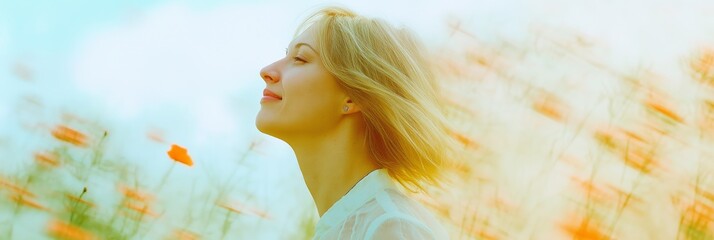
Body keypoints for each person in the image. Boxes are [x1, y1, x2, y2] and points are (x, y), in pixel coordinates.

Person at [255, 6, 458, 240]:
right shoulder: (354, 223)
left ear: (353, 97)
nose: (267, 71)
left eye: (300, 59)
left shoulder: (391, 226)